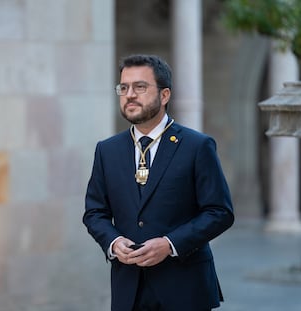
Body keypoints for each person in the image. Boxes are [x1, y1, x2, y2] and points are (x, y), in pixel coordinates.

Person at [83, 54, 234, 311]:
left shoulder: (197, 146)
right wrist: (113, 242)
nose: (130, 94)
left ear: (165, 95)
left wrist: (170, 244)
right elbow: (95, 212)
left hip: (185, 289)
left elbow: (220, 212)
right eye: (124, 87)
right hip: (128, 290)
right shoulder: (106, 150)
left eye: (140, 87)